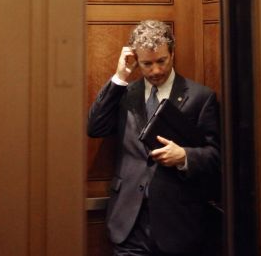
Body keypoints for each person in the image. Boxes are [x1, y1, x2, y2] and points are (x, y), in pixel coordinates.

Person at [88, 20, 221, 256]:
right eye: (147, 64)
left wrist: (185, 156)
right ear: (136, 61)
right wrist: (120, 76)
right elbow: (95, 127)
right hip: (129, 223)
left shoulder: (201, 97)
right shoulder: (125, 94)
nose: (156, 70)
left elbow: (217, 157)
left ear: (172, 52)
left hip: (178, 224)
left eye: (162, 61)